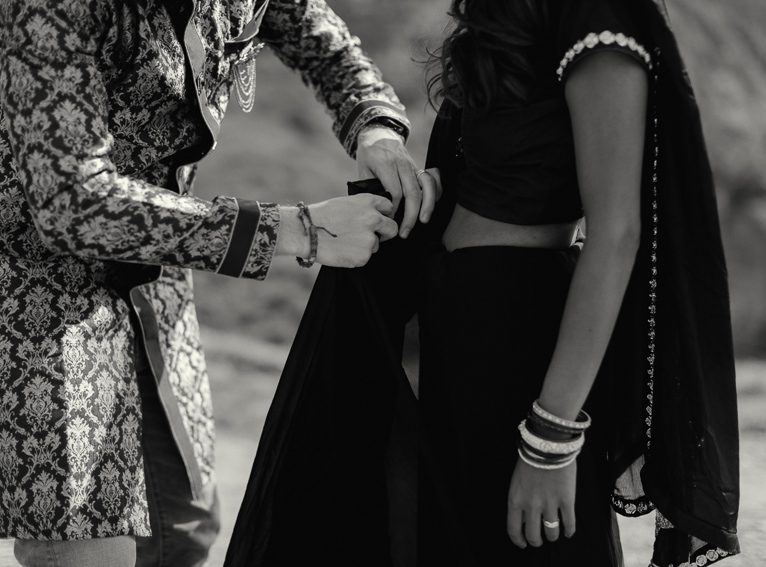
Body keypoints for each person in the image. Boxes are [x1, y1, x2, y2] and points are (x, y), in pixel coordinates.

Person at [227, 1, 740, 566]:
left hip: (517, 341)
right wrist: (447, 185)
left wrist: (550, 441)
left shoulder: (597, 14)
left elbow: (616, 234)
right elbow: (522, 159)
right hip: (455, 320)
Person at [0, 1, 438, 565]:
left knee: (182, 530)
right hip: (30, 281)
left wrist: (375, 129)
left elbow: (320, 39)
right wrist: (296, 230)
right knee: (90, 551)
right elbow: (72, 204)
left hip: (157, 268)